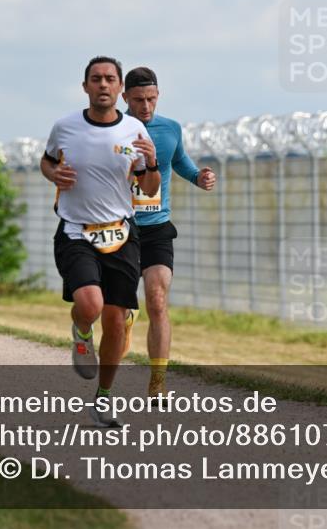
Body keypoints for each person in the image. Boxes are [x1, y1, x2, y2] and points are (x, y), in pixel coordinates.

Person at [41, 55, 160, 427]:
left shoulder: (135, 131)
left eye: (110, 79)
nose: (104, 85)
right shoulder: (65, 127)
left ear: (120, 88)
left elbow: (149, 187)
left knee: (116, 320)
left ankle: (105, 398)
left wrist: (153, 164)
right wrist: (54, 173)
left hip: (121, 233)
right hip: (77, 230)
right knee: (90, 305)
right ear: (85, 87)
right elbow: (46, 162)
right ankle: (80, 329)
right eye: (96, 79)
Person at [121, 66, 216, 401]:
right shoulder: (113, 130)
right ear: (125, 99)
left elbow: (180, 162)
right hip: (120, 227)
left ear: (158, 95)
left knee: (158, 300)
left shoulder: (171, 128)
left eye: (151, 99)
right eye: (138, 100)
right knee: (119, 307)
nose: (146, 106)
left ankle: (158, 381)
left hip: (158, 227)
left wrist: (199, 177)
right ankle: (124, 317)